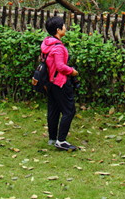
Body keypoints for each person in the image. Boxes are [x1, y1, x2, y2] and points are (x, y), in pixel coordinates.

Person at [41, 15, 79, 151]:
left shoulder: (47, 43)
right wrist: (73, 72)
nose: (65, 28)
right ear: (58, 30)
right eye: (63, 26)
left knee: (54, 109)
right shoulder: (58, 47)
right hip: (59, 82)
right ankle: (61, 141)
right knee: (69, 110)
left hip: (49, 82)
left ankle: (52, 138)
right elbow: (60, 66)